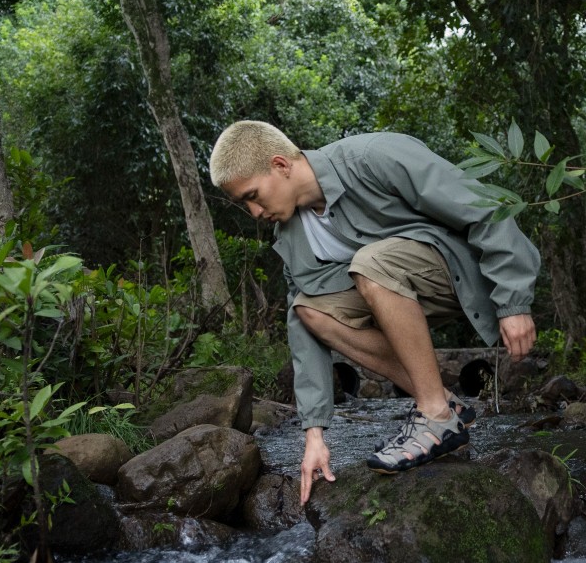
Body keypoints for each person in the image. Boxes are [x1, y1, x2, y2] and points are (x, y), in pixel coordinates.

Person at [208, 121, 540, 502]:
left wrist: (513, 300)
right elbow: (302, 333)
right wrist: (314, 435)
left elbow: (481, 205)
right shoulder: (291, 238)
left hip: (463, 274)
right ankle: (443, 404)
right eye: (244, 204)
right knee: (306, 310)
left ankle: (434, 416)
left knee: (369, 263)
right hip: (398, 292)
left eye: (252, 195)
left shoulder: (373, 157)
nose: (253, 211)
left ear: (280, 165)